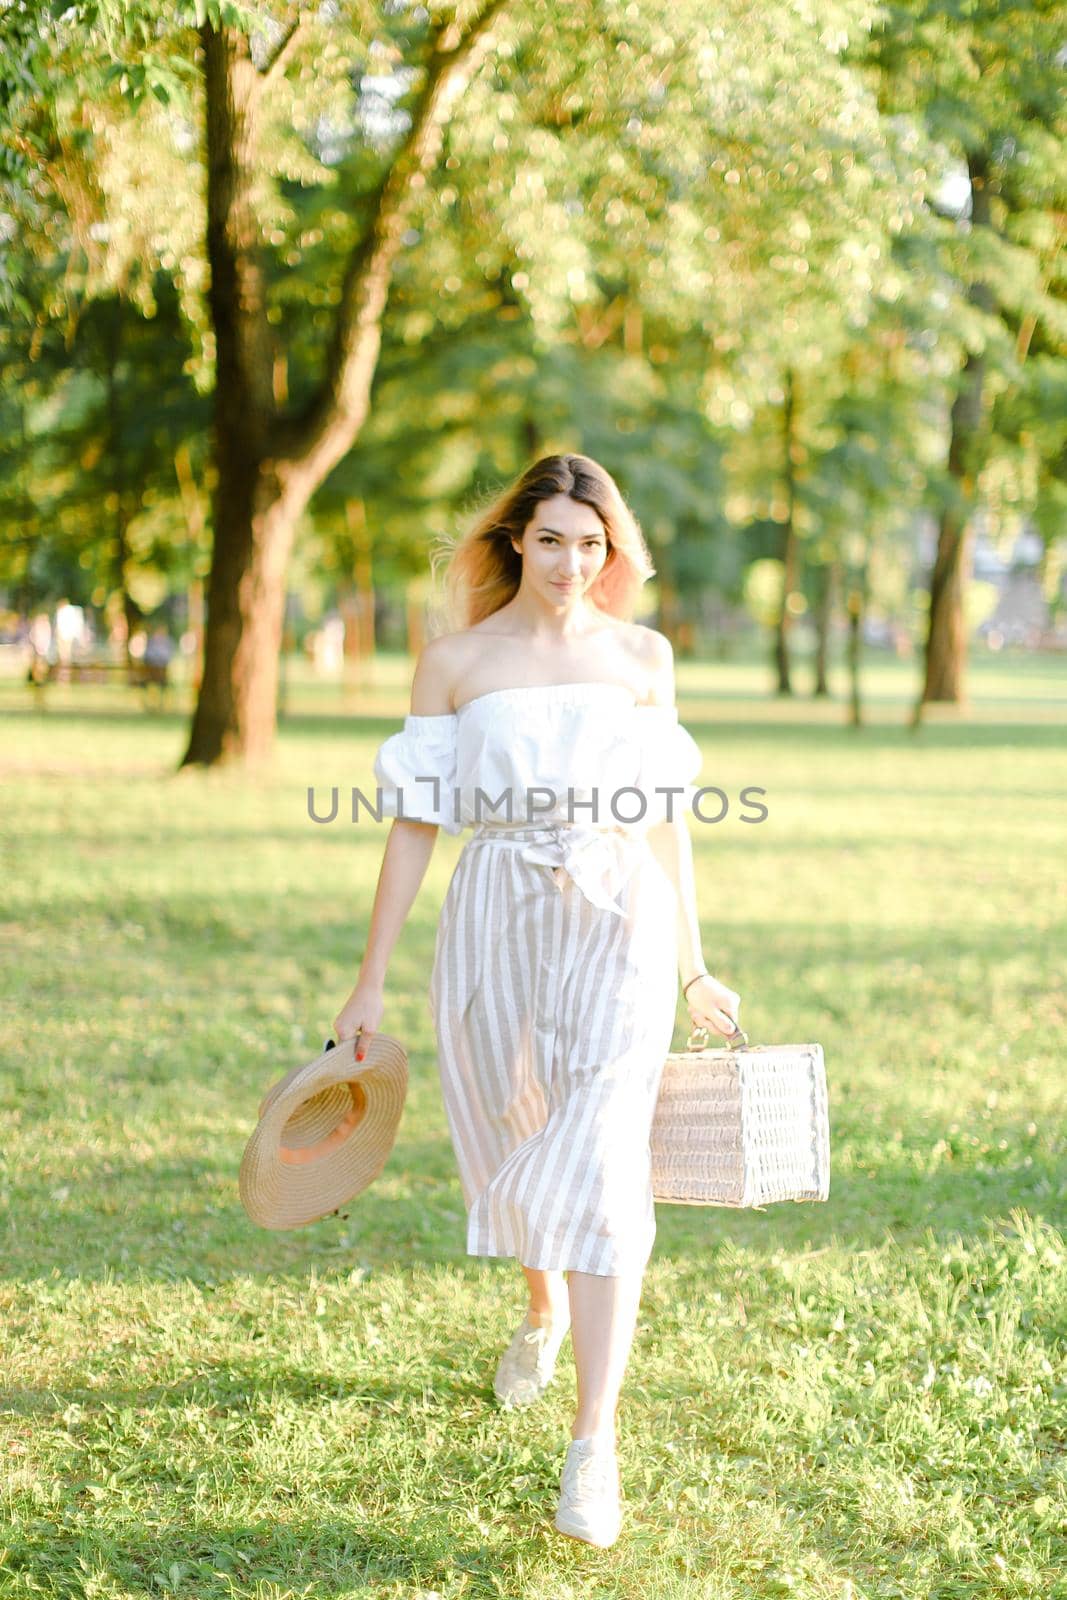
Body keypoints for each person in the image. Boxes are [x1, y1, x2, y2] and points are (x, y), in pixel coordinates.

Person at [333, 453, 741, 1549]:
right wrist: (370, 974)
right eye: (552, 539)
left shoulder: (642, 657)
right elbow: (416, 820)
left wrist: (695, 964)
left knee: (605, 1158)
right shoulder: (456, 663)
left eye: (592, 544)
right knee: (514, 1129)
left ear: (614, 553)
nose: (571, 562)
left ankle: (592, 1442)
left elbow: (666, 822)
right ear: (517, 538)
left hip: (619, 921)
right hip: (495, 915)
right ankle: (540, 1304)